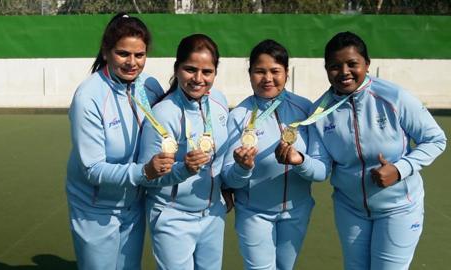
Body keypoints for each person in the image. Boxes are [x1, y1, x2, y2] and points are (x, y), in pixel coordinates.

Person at [276, 31, 447, 269]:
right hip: (351, 210)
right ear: (326, 69)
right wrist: (300, 160)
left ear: (367, 64)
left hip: (398, 208)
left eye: (352, 64)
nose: (344, 72)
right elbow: (322, 168)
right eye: (335, 66)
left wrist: (399, 169)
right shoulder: (319, 113)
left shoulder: (393, 97)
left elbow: (435, 139)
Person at [66, 13, 176, 270]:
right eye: (123, 53)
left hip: (134, 203)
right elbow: (92, 169)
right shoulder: (88, 97)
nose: (132, 63)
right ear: (106, 52)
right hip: (95, 208)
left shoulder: (149, 86)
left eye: (139, 55)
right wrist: (144, 172)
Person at [221, 39, 316, 269]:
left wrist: (300, 160)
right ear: (250, 73)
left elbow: (321, 168)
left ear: (286, 73)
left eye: (275, 71)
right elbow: (227, 178)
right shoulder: (238, 116)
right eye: (259, 71)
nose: (267, 78)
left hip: (297, 211)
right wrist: (242, 167)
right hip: (253, 214)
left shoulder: (306, 110)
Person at [137, 33, 229, 270]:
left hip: (212, 216)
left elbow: (221, 158)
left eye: (207, 72)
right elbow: (148, 176)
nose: (198, 79)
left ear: (215, 73)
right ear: (177, 68)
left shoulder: (219, 102)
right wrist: (184, 170)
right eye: (190, 69)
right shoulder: (162, 113)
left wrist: (227, 187)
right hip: (172, 217)